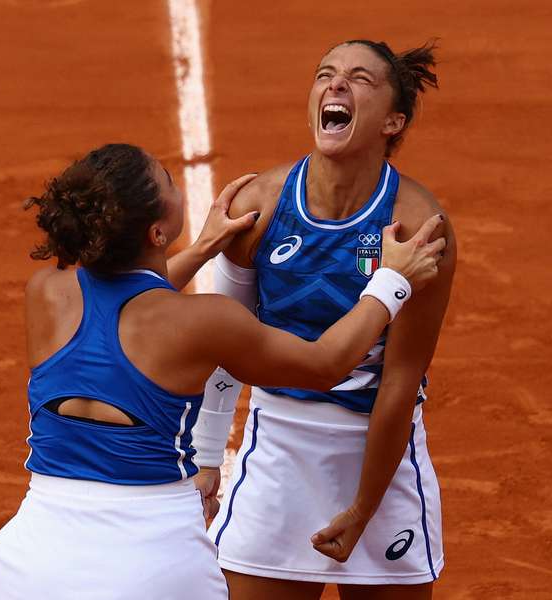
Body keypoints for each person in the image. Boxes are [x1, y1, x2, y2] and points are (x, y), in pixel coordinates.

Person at [0, 143, 445, 599]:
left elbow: (121, 314)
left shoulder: (47, 292)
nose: (178, 186)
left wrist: (200, 250)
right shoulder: (205, 322)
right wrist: (391, 281)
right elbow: (326, 364)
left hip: (24, 564)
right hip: (151, 565)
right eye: (170, 181)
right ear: (157, 233)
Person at [192, 40, 456, 600]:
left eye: (358, 79)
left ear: (393, 119)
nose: (335, 85)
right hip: (278, 450)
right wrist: (209, 457)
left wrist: (364, 508)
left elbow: (400, 382)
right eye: (324, 75)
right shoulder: (258, 204)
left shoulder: (415, 226)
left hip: (380, 461)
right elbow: (225, 344)